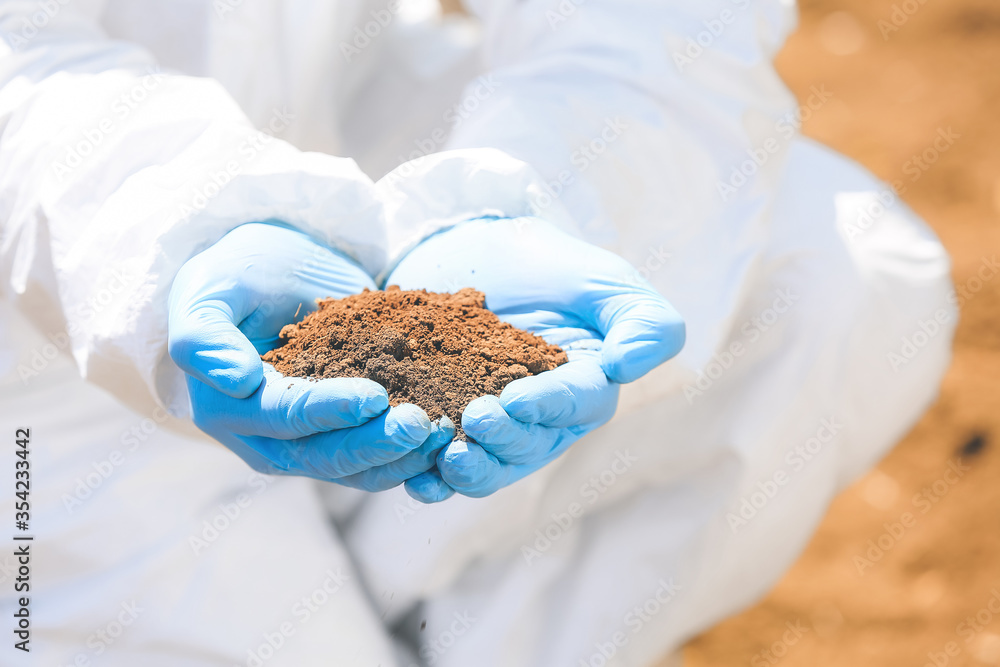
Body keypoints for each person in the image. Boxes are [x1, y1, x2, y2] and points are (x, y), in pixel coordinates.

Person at [0, 0, 954, 665]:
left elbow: (656, 20)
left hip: (348, 109)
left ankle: (394, 623)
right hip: (40, 342)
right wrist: (200, 228)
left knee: (833, 270)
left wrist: (532, 202)